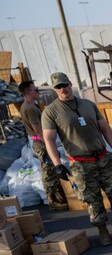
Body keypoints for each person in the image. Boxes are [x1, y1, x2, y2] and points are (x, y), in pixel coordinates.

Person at [41, 72, 112, 246]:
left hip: (102, 156)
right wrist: (57, 164)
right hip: (80, 162)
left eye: (65, 85)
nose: (63, 89)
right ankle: (103, 230)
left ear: (70, 84)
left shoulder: (88, 105)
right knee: (92, 199)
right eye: (58, 87)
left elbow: (104, 128)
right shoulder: (51, 112)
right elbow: (48, 140)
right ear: (55, 89)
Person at [18, 81, 67, 210]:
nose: (38, 92)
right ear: (28, 92)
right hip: (40, 143)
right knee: (48, 170)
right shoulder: (30, 108)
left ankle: (58, 196)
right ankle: (52, 200)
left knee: (49, 169)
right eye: (35, 90)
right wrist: (50, 144)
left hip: (37, 141)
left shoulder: (28, 106)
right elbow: (38, 130)